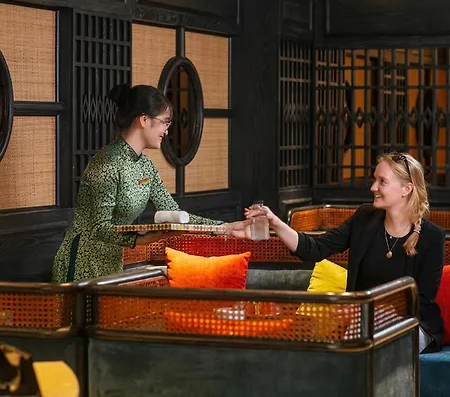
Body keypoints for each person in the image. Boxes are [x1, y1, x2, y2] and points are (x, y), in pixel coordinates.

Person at [242, 152, 445, 353]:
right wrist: (275, 223)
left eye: (382, 181)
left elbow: (420, 302)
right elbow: (315, 248)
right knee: (362, 334)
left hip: (412, 324)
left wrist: (366, 308)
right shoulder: (364, 218)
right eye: (374, 179)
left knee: (369, 335)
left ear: (406, 189)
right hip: (363, 323)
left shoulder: (432, 237)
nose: (373, 187)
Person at [52, 84, 244, 283]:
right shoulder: (107, 163)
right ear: (144, 120)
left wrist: (224, 227)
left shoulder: (146, 166)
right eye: (165, 122)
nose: (167, 131)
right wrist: (141, 239)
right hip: (81, 261)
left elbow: (175, 213)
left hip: (112, 262)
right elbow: (99, 228)